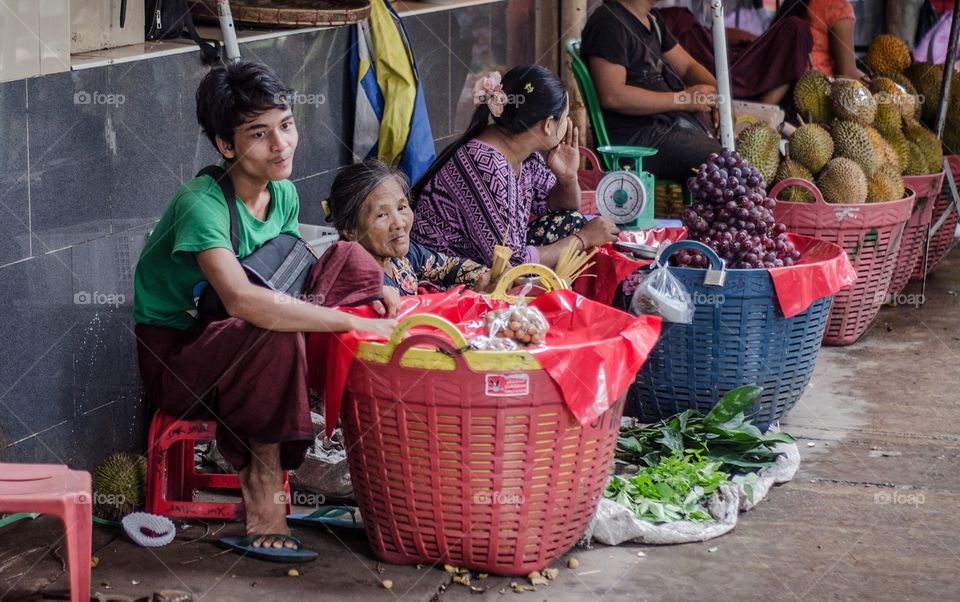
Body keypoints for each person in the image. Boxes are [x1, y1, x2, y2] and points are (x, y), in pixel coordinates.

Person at [132, 61, 396, 561]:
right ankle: (262, 492)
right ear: (225, 145)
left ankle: (330, 400)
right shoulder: (200, 203)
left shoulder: (284, 194)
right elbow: (242, 300)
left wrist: (378, 284)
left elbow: (296, 272)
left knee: (348, 256)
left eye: (286, 125)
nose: (281, 145)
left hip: (241, 331)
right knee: (270, 330)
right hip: (182, 360)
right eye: (259, 134)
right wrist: (352, 319)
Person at [411, 65, 620, 269]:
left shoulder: (523, 155)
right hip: (444, 275)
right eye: (564, 117)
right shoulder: (487, 164)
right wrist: (583, 239)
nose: (567, 124)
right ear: (548, 124)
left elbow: (564, 209)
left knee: (568, 221)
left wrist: (567, 177)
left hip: (490, 261)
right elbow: (511, 262)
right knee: (576, 232)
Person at [581, 0, 724, 184]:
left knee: (735, 156)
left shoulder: (653, 20)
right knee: (724, 164)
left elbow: (688, 67)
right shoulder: (609, 23)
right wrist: (684, 99)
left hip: (667, 127)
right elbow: (612, 95)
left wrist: (721, 97)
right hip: (637, 141)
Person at [327, 160, 493, 296]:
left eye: (401, 208)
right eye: (382, 215)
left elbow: (447, 266)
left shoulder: (400, 256)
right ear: (350, 230)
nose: (399, 223)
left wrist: (486, 276)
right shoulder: (359, 278)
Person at [657, 5, 813, 105]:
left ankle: (763, 112)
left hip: (731, 58)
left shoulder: (795, 29)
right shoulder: (663, 22)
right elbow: (688, 66)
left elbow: (711, 35)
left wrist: (757, 43)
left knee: (796, 28)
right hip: (711, 62)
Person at [773, 0, 865, 80]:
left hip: (785, 86)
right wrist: (874, 85)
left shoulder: (793, 3)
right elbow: (847, 74)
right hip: (817, 92)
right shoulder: (839, 7)